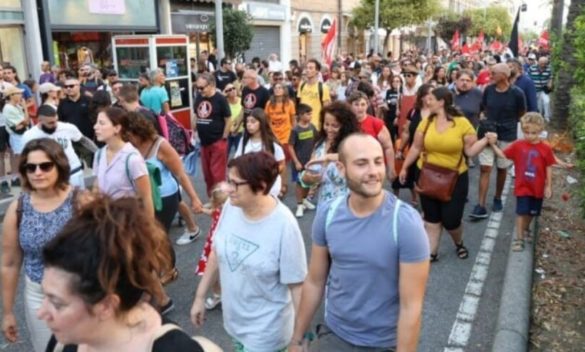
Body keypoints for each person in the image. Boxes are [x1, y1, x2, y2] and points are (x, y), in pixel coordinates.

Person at [290, 133, 430, 351]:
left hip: (382, 344)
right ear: (341, 168)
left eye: (378, 161)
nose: (373, 172)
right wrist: (297, 338)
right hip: (334, 335)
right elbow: (315, 281)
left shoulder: (405, 223)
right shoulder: (328, 213)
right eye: (361, 164)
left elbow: (411, 306)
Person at [40, 196, 213, 352]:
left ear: (107, 305)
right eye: (45, 297)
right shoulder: (65, 340)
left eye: (57, 303)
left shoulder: (175, 348)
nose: (41, 312)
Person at [191, 152, 308, 351]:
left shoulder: (284, 225)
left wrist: (299, 339)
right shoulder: (231, 206)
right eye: (228, 181)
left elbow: (297, 286)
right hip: (235, 323)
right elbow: (216, 252)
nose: (228, 189)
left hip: (267, 333)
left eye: (235, 183)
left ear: (261, 186)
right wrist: (200, 298)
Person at [1, 138, 85, 352]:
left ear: (59, 166)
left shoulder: (82, 202)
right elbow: (9, 263)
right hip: (39, 295)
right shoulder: (18, 208)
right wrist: (8, 312)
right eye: (31, 167)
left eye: (45, 166)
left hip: (83, 292)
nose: (38, 172)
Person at [399, 87, 492, 261]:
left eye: (431, 99)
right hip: (427, 174)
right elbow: (416, 147)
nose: (427, 101)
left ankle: (459, 243)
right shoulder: (425, 122)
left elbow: (470, 151)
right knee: (432, 218)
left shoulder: (462, 123)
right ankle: (431, 253)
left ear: (441, 102)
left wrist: (485, 140)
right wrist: (404, 167)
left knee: (451, 220)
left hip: (454, 177)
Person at [125, 110, 203, 253]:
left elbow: (180, 174)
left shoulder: (161, 145)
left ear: (141, 130)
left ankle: (169, 269)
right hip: (141, 198)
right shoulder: (130, 145)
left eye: (131, 132)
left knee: (159, 238)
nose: (128, 136)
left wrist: (195, 199)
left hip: (165, 198)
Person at [487, 113, 556, 252]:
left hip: (537, 187)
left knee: (532, 213)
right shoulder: (518, 145)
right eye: (526, 132)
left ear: (541, 130)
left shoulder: (546, 148)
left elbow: (549, 166)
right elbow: (503, 154)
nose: (530, 136)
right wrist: (493, 145)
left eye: (534, 133)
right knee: (521, 212)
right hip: (522, 186)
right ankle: (519, 239)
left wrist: (548, 186)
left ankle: (525, 229)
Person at [470, 63, 526, 219]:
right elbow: (483, 108)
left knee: (502, 169)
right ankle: (480, 205)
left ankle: (497, 197)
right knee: (485, 169)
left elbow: (521, 113)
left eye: (493, 73)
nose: (490, 75)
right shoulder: (488, 89)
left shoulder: (517, 93)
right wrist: (484, 120)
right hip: (488, 134)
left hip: (507, 135)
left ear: (503, 75)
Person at [92, 107, 154, 216]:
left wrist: (149, 228)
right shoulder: (99, 155)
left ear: (117, 128)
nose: (95, 127)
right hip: (106, 221)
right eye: (96, 123)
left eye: (101, 123)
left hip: (128, 222)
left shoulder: (132, 159)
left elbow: (146, 199)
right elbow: (97, 187)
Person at [300, 102, 360, 205]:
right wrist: (307, 178)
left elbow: (355, 157)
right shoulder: (319, 144)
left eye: (335, 126)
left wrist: (330, 157)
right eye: (326, 124)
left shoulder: (353, 143)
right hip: (325, 204)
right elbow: (309, 173)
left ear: (345, 125)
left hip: (348, 205)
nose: (329, 129)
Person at [23, 105, 97, 188]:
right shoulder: (30, 136)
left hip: (73, 171)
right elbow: (26, 160)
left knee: (79, 199)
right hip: (50, 176)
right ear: (39, 120)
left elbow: (83, 140)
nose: (55, 125)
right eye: (51, 123)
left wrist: (99, 153)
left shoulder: (67, 127)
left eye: (56, 121)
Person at [394, 84, 434, 205]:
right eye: (429, 94)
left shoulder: (437, 112)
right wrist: (400, 149)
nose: (432, 97)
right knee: (417, 181)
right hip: (414, 152)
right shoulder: (413, 112)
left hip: (432, 154)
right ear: (421, 96)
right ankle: (424, 206)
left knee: (430, 182)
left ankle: (429, 210)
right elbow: (406, 132)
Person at [193, 72, 231, 197]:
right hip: (204, 143)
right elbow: (196, 114)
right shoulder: (199, 97)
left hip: (217, 142)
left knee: (218, 175)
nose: (200, 90)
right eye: (198, 88)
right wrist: (193, 131)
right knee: (207, 175)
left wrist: (224, 137)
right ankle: (213, 199)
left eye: (202, 87)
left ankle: (221, 203)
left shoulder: (220, 99)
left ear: (212, 85)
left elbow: (228, 119)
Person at [234, 108, 285, 197]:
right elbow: (237, 160)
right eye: (247, 122)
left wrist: (269, 174)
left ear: (261, 123)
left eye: (253, 122)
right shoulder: (244, 141)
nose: (249, 125)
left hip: (269, 186)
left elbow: (281, 164)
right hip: (249, 184)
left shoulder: (272, 143)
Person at [348, 91, 396, 181]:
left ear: (367, 105)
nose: (360, 108)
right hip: (352, 167)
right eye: (356, 104)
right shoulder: (345, 123)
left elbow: (388, 147)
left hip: (372, 168)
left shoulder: (376, 123)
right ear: (350, 106)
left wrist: (391, 168)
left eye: (363, 104)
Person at [195, 183, 229, 310]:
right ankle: (218, 295)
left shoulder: (225, 213)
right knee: (216, 273)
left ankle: (222, 295)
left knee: (220, 273)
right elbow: (212, 212)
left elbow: (212, 212)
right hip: (215, 245)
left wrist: (203, 209)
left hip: (220, 246)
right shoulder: (220, 211)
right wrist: (203, 209)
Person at [265, 81, 296, 197]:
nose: (277, 90)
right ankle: (273, 185)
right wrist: (269, 134)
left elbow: (293, 120)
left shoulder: (289, 104)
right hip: (273, 137)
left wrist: (293, 135)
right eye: (275, 88)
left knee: (283, 163)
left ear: (284, 90)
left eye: (280, 88)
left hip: (286, 137)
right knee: (272, 163)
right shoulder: (269, 104)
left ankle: (283, 186)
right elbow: (267, 120)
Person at [288, 103, 318, 218]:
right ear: (300, 115)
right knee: (300, 183)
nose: (310, 116)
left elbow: (316, 142)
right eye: (308, 114)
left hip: (310, 162)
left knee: (308, 182)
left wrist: (314, 158)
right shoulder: (295, 130)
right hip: (299, 163)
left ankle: (305, 200)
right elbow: (290, 146)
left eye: (311, 114)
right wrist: (296, 162)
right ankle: (299, 204)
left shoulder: (312, 127)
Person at [58, 76, 94, 142]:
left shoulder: (89, 101)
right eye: (66, 87)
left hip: (88, 139)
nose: (68, 88)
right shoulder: (62, 103)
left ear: (79, 86)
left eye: (71, 86)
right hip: (70, 139)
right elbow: (60, 122)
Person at [298, 59, 331, 128]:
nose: (307, 70)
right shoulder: (302, 85)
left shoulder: (323, 87)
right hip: (303, 126)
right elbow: (300, 105)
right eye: (306, 68)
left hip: (316, 127)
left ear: (317, 71)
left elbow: (327, 109)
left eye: (311, 68)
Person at [528, 56, 552, 121]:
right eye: (541, 63)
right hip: (534, 89)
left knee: (547, 101)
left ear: (546, 63)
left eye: (544, 63)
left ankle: (546, 116)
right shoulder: (532, 68)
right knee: (538, 105)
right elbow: (527, 77)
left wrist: (550, 83)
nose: (542, 65)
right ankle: (540, 117)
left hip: (543, 89)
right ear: (538, 62)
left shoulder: (548, 69)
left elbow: (550, 77)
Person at [224, 83, 243, 155]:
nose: (232, 90)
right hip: (228, 132)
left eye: (233, 88)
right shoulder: (224, 103)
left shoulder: (242, 101)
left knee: (239, 154)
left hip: (240, 132)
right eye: (229, 90)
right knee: (224, 154)